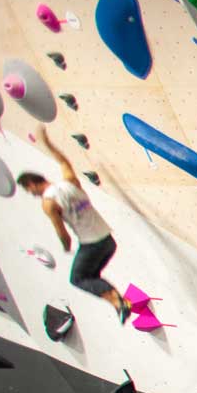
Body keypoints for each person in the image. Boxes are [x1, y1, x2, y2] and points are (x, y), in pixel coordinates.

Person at [18, 128, 129, 323]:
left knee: (78, 279)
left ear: (32, 184)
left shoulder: (49, 202)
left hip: (92, 244)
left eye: (28, 190)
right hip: (108, 241)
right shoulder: (70, 182)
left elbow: (63, 235)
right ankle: (118, 303)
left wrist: (65, 247)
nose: (31, 193)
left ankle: (119, 303)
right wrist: (49, 144)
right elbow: (63, 161)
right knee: (91, 277)